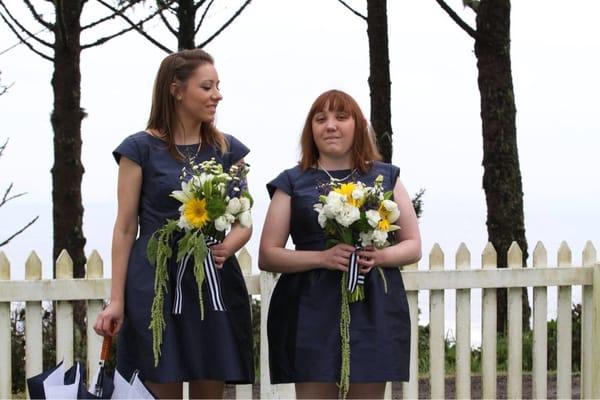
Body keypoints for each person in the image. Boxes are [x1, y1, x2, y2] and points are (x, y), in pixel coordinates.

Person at [93, 49, 254, 398]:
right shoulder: (139, 149)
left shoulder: (229, 150)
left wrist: (229, 245)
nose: (217, 95)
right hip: (154, 284)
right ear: (176, 90)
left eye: (218, 86)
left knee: (209, 384)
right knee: (158, 386)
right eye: (207, 87)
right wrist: (116, 300)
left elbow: (245, 220)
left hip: (211, 283)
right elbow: (124, 228)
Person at [259, 89, 421, 399]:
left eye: (340, 117)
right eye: (320, 119)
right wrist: (322, 258)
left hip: (372, 306)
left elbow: (412, 245)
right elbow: (268, 254)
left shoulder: (386, 178)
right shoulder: (292, 182)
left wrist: (379, 256)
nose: (330, 125)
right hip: (309, 308)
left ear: (358, 125)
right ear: (312, 130)